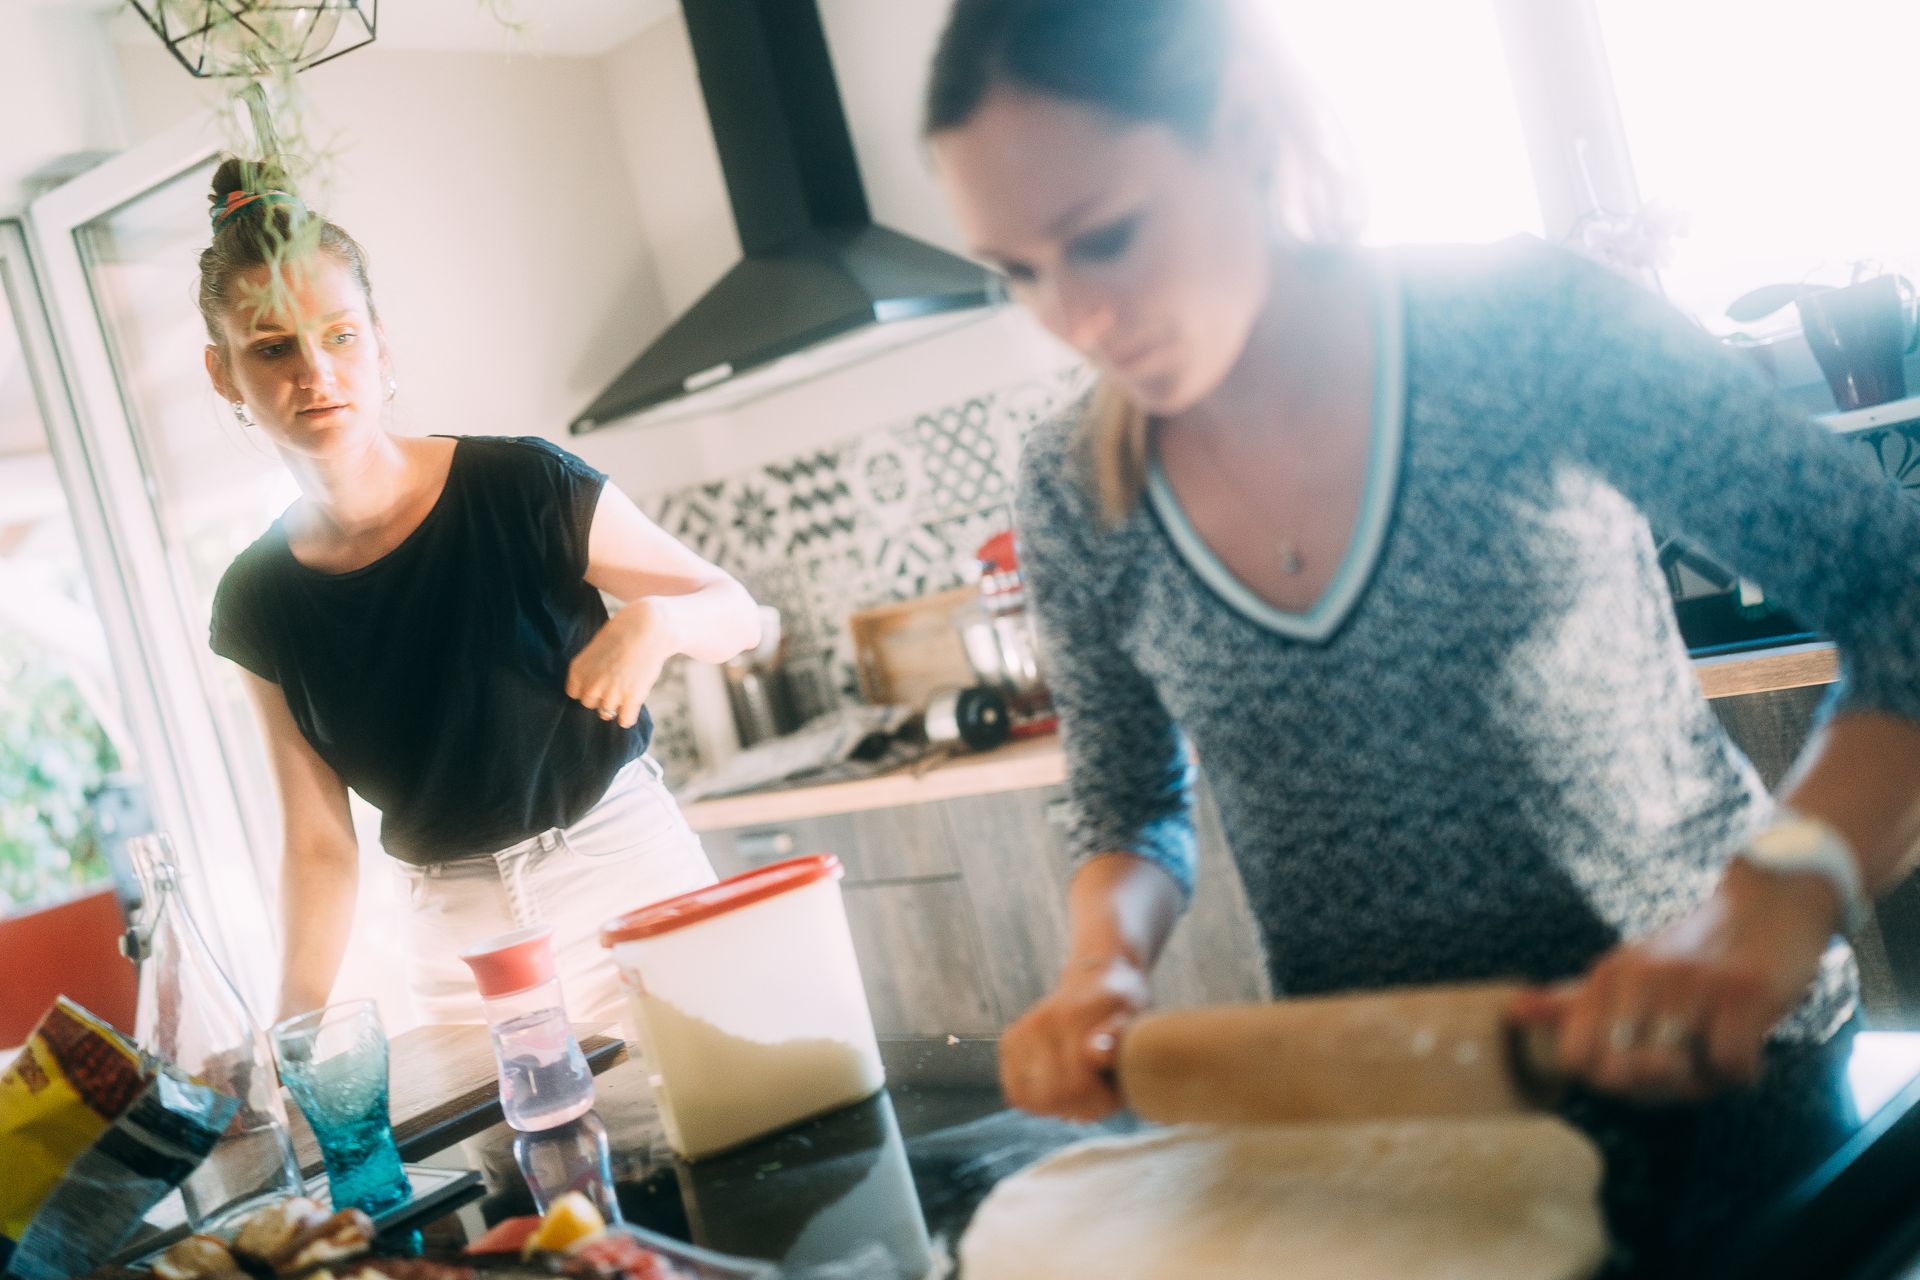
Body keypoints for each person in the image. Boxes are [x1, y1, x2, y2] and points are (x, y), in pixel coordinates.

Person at [921, 0, 1920, 1136]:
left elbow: (1904, 601)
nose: (1077, 317)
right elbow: (1129, 804)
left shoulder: (1517, 325)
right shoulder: (1073, 487)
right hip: (1401, 1124)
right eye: (1020, 270)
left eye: (1104, 235)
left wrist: (1775, 901)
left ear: (1242, 131)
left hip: (1723, 1078)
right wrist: (1101, 964)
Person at [198, 157, 761, 1026]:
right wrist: (290, 1029)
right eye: (273, 347)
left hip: (627, 875)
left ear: (380, 342)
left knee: (732, 1136)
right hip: (459, 948)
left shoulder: (525, 485)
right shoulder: (257, 600)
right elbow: (317, 846)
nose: (316, 371)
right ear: (224, 373)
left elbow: (735, 613)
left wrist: (660, 621)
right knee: (511, 1167)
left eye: (339, 335)